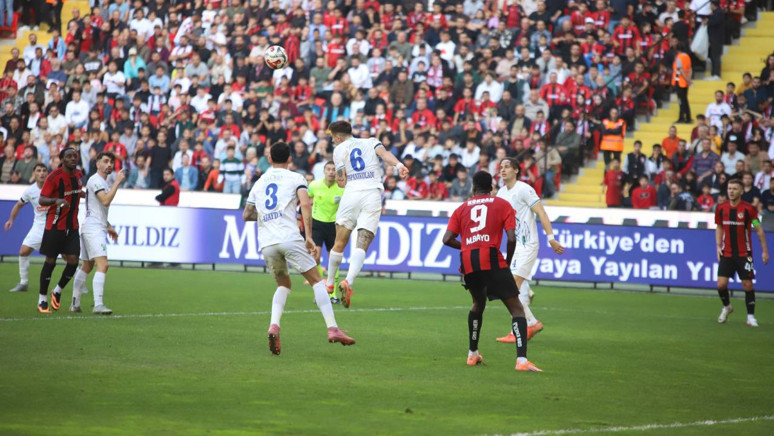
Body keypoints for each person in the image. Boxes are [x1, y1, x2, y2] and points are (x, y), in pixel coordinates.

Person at [242, 142, 354, 355]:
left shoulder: (259, 182)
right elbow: (305, 204)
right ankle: (332, 328)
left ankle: (274, 325)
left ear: (270, 158)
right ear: (290, 158)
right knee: (317, 281)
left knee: (283, 284)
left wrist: (267, 217)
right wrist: (309, 237)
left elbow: (247, 214)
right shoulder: (296, 178)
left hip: (267, 242)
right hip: (289, 237)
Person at [441, 170, 541, 372]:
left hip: (469, 261)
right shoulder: (502, 204)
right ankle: (521, 361)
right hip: (492, 259)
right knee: (516, 309)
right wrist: (507, 261)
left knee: (478, 303)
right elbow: (511, 238)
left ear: (473, 188)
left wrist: (467, 246)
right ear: (492, 188)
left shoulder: (461, 208)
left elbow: (446, 239)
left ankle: (472, 354)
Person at [324, 120, 408, 308]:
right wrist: (399, 166)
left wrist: (345, 180)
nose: (332, 140)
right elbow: (385, 155)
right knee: (362, 241)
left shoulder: (339, 150)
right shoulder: (371, 141)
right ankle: (349, 281)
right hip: (372, 194)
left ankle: (329, 283)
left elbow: (341, 181)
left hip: (351, 194)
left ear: (338, 137)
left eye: (332, 137)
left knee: (339, 243)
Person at [494, 158, 566, 344]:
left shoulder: (524, 189)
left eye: (507, 167)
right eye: (501, 167)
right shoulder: (501, 193)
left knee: (510, 289)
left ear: (516, 170)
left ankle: (527, 325)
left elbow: (541, 212)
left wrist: (551, 238)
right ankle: (524, 326)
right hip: (514, 246)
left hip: (527, 244)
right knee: (516, 289)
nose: (503, 170)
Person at [70, 152, 126, 314]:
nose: (109, 164)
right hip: (93, 229)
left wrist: (108, 225)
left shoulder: (101, 182)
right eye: (106, 161)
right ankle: (98, 304)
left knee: (87, 266)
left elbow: (97, 208)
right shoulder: (95, 180)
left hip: (92, 226)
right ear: (97, 164)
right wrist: (117, 182)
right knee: (103, 264)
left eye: (111, 162)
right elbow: (105, 201)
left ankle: (75, 303)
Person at [715, 179, 770, 327]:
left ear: (741, 191)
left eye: (734, 189)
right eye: (729, 188)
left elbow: (758, 229)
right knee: (721, 285)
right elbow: (719, 226)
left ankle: (750, 317)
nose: (731, 191)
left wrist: (765, 251)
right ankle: (727, 306)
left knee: (747, 284)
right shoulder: (721, 208)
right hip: (726, 253)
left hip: (744, 254)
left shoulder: (749, 209)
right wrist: (718, 245)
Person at [36, 148, 83, 314]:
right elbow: (41, 199)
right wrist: (57, 200)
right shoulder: (54, 177)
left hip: (72, 227)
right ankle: (42, 299)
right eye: (69, 156)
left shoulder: (78, 175)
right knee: (50, 261)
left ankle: (57, 290)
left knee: (74, 260)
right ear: (62, 159)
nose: (72, 159)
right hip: (55, 225)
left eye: (74, 156)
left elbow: (77, 193)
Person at [4, 164, 48, 292]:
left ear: (47, 173)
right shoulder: (30, 191)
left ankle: (80, 283)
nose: (42, 173)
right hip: (38, 226)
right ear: (34, 173)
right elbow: (19, 205)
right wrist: (11, 220)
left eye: (44, 171)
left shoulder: (54, 187)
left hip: (53, 226)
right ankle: (23, 283)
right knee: (23, 251)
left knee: (68, 257)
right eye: (38, 170)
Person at [307, 161, 344, 303]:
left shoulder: (342, 189)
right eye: (328, 169)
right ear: (324, 171)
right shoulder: (314, 185)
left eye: (334, 169)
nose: (331, 172)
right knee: (315, 257)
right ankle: (320, 292)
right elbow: (306, 200)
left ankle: (332, 294)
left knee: (333, 260)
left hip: (334, 226)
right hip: (317, 224)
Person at [672, 43, 692, 123]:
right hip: (685, 83)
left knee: (681, 101)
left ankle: (682, 117)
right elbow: (690, 69)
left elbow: (680, 70)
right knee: (685, 100)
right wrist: (689, 79)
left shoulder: (678, 58)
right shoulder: (687, 57)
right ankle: (688, 117)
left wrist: (687, 79)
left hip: (680, 82)